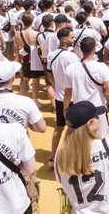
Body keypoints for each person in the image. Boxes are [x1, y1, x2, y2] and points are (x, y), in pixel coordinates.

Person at [55, 100, 109, 214]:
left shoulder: (60, 156)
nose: (99, 118)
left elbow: (63, 181)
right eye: (97, 116)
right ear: (90, 124)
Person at [64, 37, 109, 137]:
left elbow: (68, 92)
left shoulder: (70, 68)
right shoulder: (101, 67)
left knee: (83, 141)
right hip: (98, 108)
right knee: (101, 139)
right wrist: (104, 93)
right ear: (94, 49)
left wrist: (65, 108)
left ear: (81, 49)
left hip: (79, 111)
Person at [47, 27, 79, 165]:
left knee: (59, 128)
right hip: (72, 98)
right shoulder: (72, 56)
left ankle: (53, 156)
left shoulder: (51, 55)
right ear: (64, 39)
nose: (74, 39)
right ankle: (73, 158)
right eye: (72, 37)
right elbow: (77, 77)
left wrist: (58, 86)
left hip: (59, 97)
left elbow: (49, 74)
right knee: (75, 130)